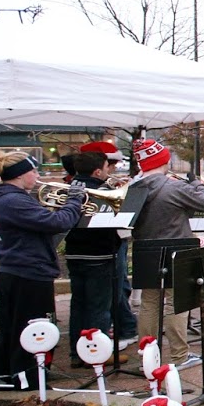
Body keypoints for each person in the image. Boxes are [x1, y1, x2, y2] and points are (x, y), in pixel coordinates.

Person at [0, 150, 86, 383]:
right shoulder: (13, 200)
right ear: (20, 176)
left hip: (17, 270)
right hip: (27, 272)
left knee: (13, 327)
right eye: (33, 171)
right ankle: (27, 375)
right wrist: (74, 200)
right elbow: (57, 222)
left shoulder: (8, 198)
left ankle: (8, 372)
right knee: (33, 328)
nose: (37, 175)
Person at [128, 138, 204, 368]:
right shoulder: (173, 186)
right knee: (177, 302)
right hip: (176, 248)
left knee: (149, 303)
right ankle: (179, 356)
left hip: (145, 249)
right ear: (164, 161)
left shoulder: (133, 188)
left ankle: (148, 357)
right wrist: (197, 184)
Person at [61, 150, 124, 367]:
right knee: (99, 307)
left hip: (75, 253)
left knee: (78, 305)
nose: (109, 172)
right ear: (97, 171)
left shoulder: (69, 189)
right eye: (107, 168)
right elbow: (117, 224)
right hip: (99, 253)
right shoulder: (101, 192)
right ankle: (97, 354)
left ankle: (76, 353)